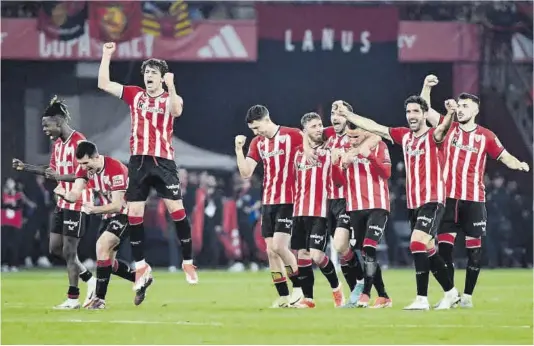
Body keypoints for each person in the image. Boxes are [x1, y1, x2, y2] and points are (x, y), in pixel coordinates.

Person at [335, 95, 460, 310]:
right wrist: (348, 115)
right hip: (414, 203)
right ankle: (451, 292)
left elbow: (443, 129)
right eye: (408, 112)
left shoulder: (433, 135)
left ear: (424, 114)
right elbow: (375, 127)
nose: (411, 116)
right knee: (428, 248)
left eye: (415, 112)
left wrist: (449, 114)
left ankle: (422, 299)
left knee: (417, 242)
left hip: (433, 199)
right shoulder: (404, 136)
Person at [420, 75, 530, 307]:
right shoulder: (447, 126)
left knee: (474, 252)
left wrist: (518, 163)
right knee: (445, 249)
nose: (460, 110)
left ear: (476, 110)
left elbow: (504, 155)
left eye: (465, 107)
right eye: (459, 106)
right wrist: (427, 87)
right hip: (449, 199)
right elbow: (425, 110)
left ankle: (467, 297)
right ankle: (450, 294)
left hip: (474, 200)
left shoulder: (486, 136)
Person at [98, 42, 198, 291]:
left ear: (163, 78)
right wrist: (106, 55)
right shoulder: (135, 94)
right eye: (146, 73)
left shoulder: (169, 98)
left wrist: (173, 86)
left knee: (177, 212)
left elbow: (176, 111)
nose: (149, 76)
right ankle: (141, 264)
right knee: (134, 215)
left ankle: (188, 261)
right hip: (139, 162)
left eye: (154, 73)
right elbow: (104, 84)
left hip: (163, 162)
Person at [12, 96, 96, 309]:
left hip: (77, 202)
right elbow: (51, 172)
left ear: (58, 122)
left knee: (69, 251)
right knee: (55, 248)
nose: (44, 130)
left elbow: (82, 175)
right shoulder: (58, 146)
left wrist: (59, 177)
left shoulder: (80, 142)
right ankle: (90, 279)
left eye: (46, 125)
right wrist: (26, 167)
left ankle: (73, 298)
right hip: (62, 203)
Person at [54, 141, 146, 308]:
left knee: (101, 246)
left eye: (86, 163)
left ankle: (99, 300)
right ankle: (141, 278)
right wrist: (64, 194)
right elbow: (75, 194)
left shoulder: (115, 169)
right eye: (80, 164)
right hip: (107, 215)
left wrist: (94, 209)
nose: (84, 168)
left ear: (96, 157)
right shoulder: (84, 169)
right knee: (108, 263)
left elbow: (118, 205)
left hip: (127, 213)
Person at [235, 105, 304, 308]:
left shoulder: (293, 135)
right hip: (268, 201)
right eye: (253, 130)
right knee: (271, 251)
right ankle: (283, 295)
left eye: (258, 127)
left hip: (289, 200)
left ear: (267, 119)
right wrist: (239, 150)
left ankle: (300, 289)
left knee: (280, 246)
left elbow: (314, 148)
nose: (256, 132)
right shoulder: (258, 142)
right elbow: (246, 172)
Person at [323, 100, 381, 305]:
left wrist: (351, 154)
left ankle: (361, 284)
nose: (335, 117)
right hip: (329, 199)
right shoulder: (328, 137)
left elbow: (376, 135)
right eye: (333, 112)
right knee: (343, 248)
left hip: (349, 198)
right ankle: (360, 288)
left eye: (340, 113)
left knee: (341, 245)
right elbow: (307, 133)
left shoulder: (354, 137)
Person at [291, 112, 346, 308]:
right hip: (299, 211)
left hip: (320, 211)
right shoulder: (297, 153)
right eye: (313, 126)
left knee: (316, 255)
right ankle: (309, 299)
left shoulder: (328, 149)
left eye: (320, 125)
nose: (319, 129)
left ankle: (336, 288)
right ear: (305, 131)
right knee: (303, 256)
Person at [338, 122, 393, 308]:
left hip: (378, 205)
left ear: (366, 133)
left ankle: (366, 294)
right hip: (355, 207)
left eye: (356, 136)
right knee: (363, 251)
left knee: (369, 247)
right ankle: (384, 296)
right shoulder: (344, 149)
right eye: (349, 136)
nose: (352, 140)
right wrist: (340, 166)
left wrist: (368, 155)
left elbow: (386, 172)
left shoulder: (379, 145)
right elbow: (337, 182)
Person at [1, 178, 36, 272]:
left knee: (14, 244)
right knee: (4, 243)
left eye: (11, 182)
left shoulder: (19, 195)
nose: (10, 184)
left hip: (15, 222)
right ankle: (4, 263)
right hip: (5, 222)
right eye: (8, 182)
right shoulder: (3, 195)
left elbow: (22, 206)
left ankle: (13, 264)